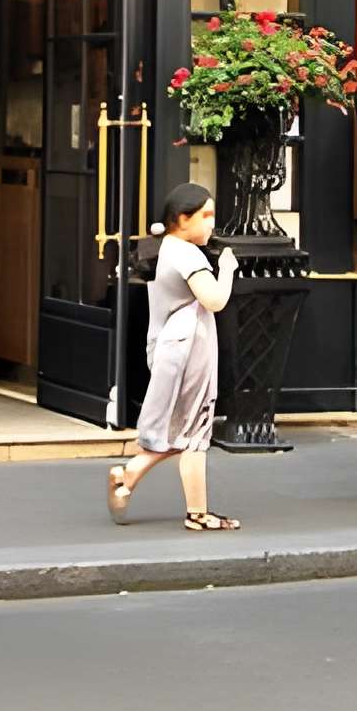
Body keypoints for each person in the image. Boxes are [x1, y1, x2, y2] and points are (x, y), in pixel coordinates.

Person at [111, 182, 240, 532]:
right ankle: (197, 513)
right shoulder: (188, 254)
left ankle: (130, 475)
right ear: (183, 219)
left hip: (171, 346)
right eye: (206, 215)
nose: (212, 223)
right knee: (196, 432)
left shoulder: (167, 247)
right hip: (189, 349)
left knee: (182, 430)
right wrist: (227, 268)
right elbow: (214, 300)